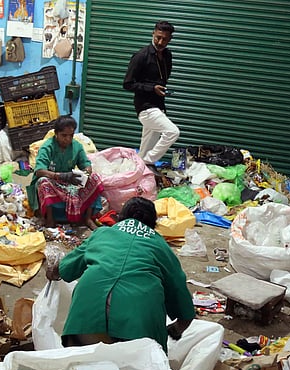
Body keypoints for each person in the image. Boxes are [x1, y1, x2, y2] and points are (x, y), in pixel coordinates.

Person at [47, 197, 195, 351]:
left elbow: (65, 269)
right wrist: (179, 326)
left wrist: (53, 270)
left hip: (85, 321)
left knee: (84, 368)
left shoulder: (101, 234)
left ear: (119, 217)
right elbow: (178, 286)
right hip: (138, 328)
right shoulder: (160, 245)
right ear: (153, 223)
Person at [27, 115, 104, 230]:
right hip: (53, 181)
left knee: (95, 178)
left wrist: (85, 173)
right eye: (64, 135)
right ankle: (50, 219)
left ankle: (87, 218)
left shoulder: (76, 146)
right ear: (56, 134)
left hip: (70, 182)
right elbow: (39, 171)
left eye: (71, 136)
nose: (67, 139)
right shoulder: (47, 147)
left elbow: (86, 164)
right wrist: (59, 175)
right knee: (43, 182)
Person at [123, 20, 180, 170]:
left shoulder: (167, 56)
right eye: (158, 37)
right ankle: (147, 162)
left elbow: (162, 80)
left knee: (144, 150)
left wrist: (160, 90)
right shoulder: (141, 56)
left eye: (165, 39)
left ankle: (137, 172)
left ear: (170, 39)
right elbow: (127, 84)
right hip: (145, 107)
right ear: (153, 34)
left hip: (158, 106)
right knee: (173, 132)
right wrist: (151, 88)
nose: (160, 42)